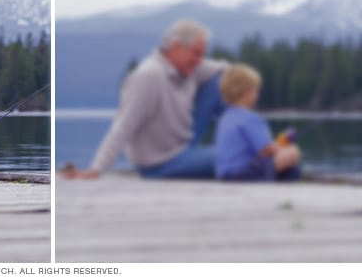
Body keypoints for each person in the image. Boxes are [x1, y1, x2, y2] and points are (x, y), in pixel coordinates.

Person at [66, 20, 228, 179]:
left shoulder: (192, 68)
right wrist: (96, 169)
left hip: (185, 147)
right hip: (160, 163)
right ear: (177, 47)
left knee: (218, 83)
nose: (200, 60)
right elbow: (124, 125)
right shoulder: (149, 75)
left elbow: (230, 73)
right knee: (233, 155)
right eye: (196, 53)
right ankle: (245, 153)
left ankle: (245, 136)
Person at [215, 64, 302, 181]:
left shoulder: (225, 117)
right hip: (243, 172)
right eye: (256, 90)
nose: (257, 95)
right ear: (247, 92)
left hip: (224, 174)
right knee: (293, 153)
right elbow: (266, 149)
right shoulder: (251, 118)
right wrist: (283, 145)